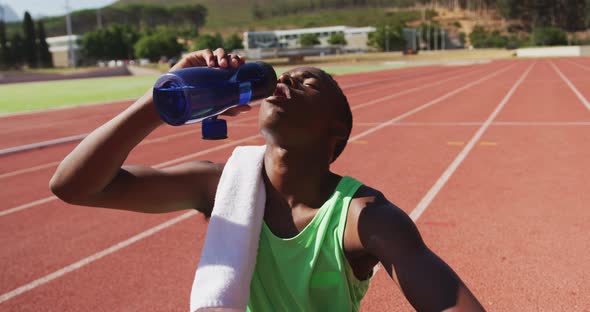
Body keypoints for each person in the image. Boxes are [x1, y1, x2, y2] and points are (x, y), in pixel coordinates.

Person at [50, 48, 484, 311]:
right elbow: (73, 186)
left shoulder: (363, 217)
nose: (288, 79)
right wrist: (162, 96)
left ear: (336, 132)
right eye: (287, 78)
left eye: (309, 82)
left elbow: (450, 303)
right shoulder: (221, 185)